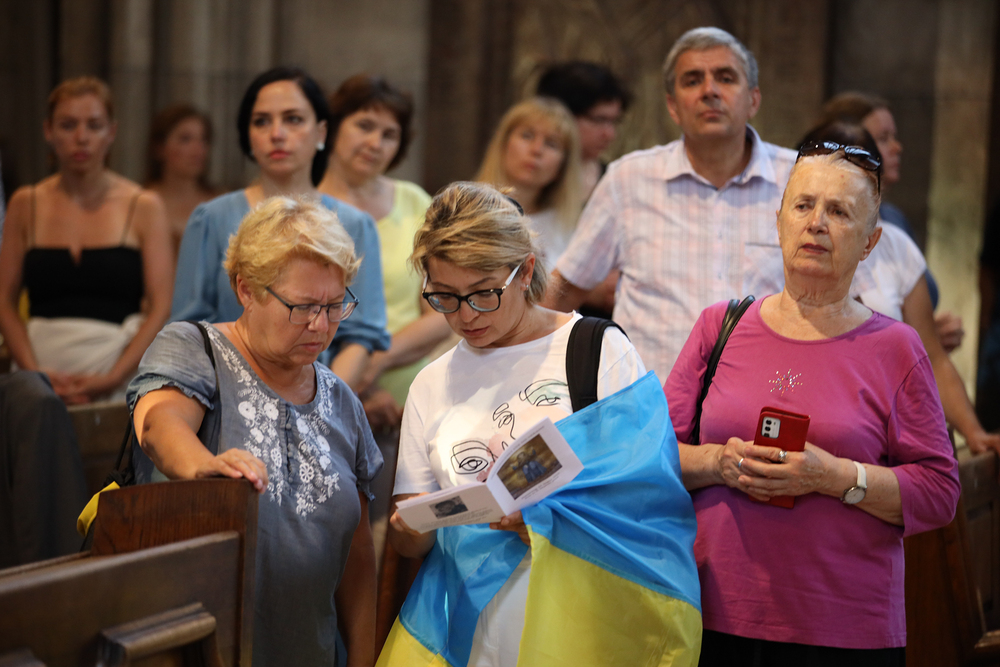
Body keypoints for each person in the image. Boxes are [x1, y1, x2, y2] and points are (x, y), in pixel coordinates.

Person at [666, 143, 960, 664]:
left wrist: (833, 476)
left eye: (839, 212)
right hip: (714, 613)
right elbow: (655, 455)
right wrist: (719, 461)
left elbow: (939, 492)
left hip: (845, 628)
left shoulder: (896, 348)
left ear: (869, 243)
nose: (816, 223)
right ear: (779, 221)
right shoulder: (720, 326)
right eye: (803, 205)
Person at [387, 182, 650, 666]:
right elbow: (411, 538)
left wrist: (551, 523)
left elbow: (645, 493)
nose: (466, 315)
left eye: (484, 293)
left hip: (581, 626)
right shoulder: (431, 383)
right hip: (467, 636)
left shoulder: (595, 350)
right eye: (445, 297)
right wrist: (411, 528)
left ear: (525, 270)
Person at [128, 197, 382, 667]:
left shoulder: (342, 400)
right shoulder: (195, 347)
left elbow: (358, 556)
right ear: (246, 289)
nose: (320, 325)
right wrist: (204, 466)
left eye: (334, 306)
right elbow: (159, 424)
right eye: (302, 307)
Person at [544, 26, 796, 380]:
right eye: (692, 81)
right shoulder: (628, 179)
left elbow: (849, 301)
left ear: (753, 100)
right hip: (648, 400)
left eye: (725, 78)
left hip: (763, 397)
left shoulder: (800, 179)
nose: (709, 91)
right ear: (673, 106)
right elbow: (562, 292)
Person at [171, 66, 390, 391]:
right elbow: (188, 329)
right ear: (248, 135)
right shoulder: (211, 218)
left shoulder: (355, 224)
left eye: (293, 119)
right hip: (224, 391)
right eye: (261, 121)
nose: (276, 133)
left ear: (321, 133)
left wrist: (320, 404)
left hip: (320, 390)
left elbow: (360, 336)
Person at [802, 121, 1000, 455]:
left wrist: (973, 432)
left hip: (882, 427)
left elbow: (931, 356)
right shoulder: (796, 241)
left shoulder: (893, 245)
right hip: (808, 418)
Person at [0, 76, 173, 403]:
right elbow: (4, 301)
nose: (81, 138)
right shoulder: (26, 202)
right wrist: (34, 375)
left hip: (116, 368)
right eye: (68, 125)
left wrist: (114, 377)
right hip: (37, 367)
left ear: (112, 132)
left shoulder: (144, 205)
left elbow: (161, 305)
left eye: (94, 126)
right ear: (48, 131)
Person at [318, 74, 451, 431]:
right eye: (364, 126)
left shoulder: (415, 202)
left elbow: (441, 310)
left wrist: (377, 360)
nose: (375, 143)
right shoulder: (305, 205)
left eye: (389, 134)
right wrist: (355, 379)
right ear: (332, 127)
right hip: (320, 388)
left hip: (409, 394)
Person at [821, 91, 964, 353]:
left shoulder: (894, 222)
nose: (897, 147)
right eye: (883, 139)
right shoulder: (819, 233)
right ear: (849, 142)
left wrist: (927, 336)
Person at [475, 97, 583, 266]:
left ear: (563, 166)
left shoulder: (572, 228)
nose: (537, 149)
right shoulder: (465, 212)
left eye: (551, 144)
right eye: (527, 136)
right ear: (503, 145)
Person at [536, 60, 632, 200]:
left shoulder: (616, 183)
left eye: (614, 122)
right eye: (598, 120)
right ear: (562, 115)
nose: (610, 135)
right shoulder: (527, 176)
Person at [145, 103, 218, 256]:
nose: (198, 149)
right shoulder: (141, 202)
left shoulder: (219, 203)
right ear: (160, 147)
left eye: (204, 139)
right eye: (185, 139)